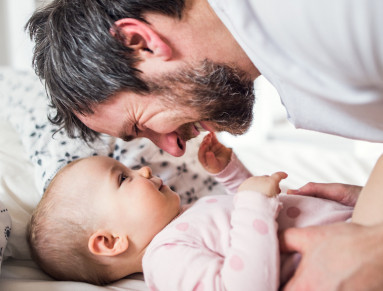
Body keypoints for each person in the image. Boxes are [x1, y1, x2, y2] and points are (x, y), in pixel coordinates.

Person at [25, 0, 383, 289]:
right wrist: (368, 201)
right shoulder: (167, 255)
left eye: (139, 123)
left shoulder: (323, 20)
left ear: (141, 42)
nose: (173, 151)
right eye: (122, 178)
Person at [27, 132, 357, 290]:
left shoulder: (183, 219)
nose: (142, 170)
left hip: (358, 226)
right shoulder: (166, 259)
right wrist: (255, 204)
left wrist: (230, 174)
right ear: (110, 241)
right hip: (353, 260)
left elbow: (235, 227)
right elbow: (244, 284)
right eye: (123, 178)